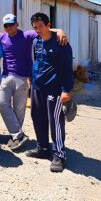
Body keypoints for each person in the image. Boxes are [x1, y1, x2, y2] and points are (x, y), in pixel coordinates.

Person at [0, 13, 67, 152]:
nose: (9, 27)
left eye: (11, 24)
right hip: (6, 76)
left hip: (22, 77)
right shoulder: (2, 37)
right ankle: (18, 134)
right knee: (1, 102)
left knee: (19, 109)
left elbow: (44, 30)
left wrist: (60, 31)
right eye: (6, 25)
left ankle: (15, 137)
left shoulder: (27, 35)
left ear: (17, 24)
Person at [25, 12, 73, 172]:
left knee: (55, 121)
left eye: (40, 26)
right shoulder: (36, 41)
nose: (38, 29)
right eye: (35, 27)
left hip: (54, 88)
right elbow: (36, 60)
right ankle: (42, 148)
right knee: (37, 117)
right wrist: (31, 77)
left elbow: (67, 68)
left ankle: (59, 154)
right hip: (37, 86)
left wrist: (66, 90)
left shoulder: (61, 42)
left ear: (48, 24)